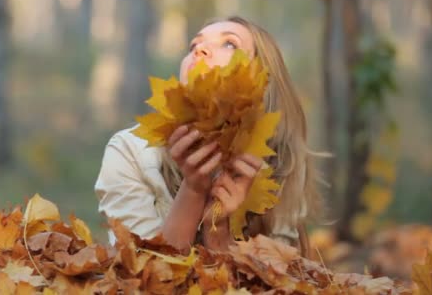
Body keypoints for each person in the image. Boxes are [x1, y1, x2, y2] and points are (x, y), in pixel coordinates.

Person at [94, 16, 323, 256]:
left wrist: (218, 231)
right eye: (194, 45)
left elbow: (278, 285)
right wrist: (193, 190)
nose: (200, 49)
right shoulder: (130, 151)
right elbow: (142, 278)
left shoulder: (280, 162)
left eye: (229, 44)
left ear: (263, 80)